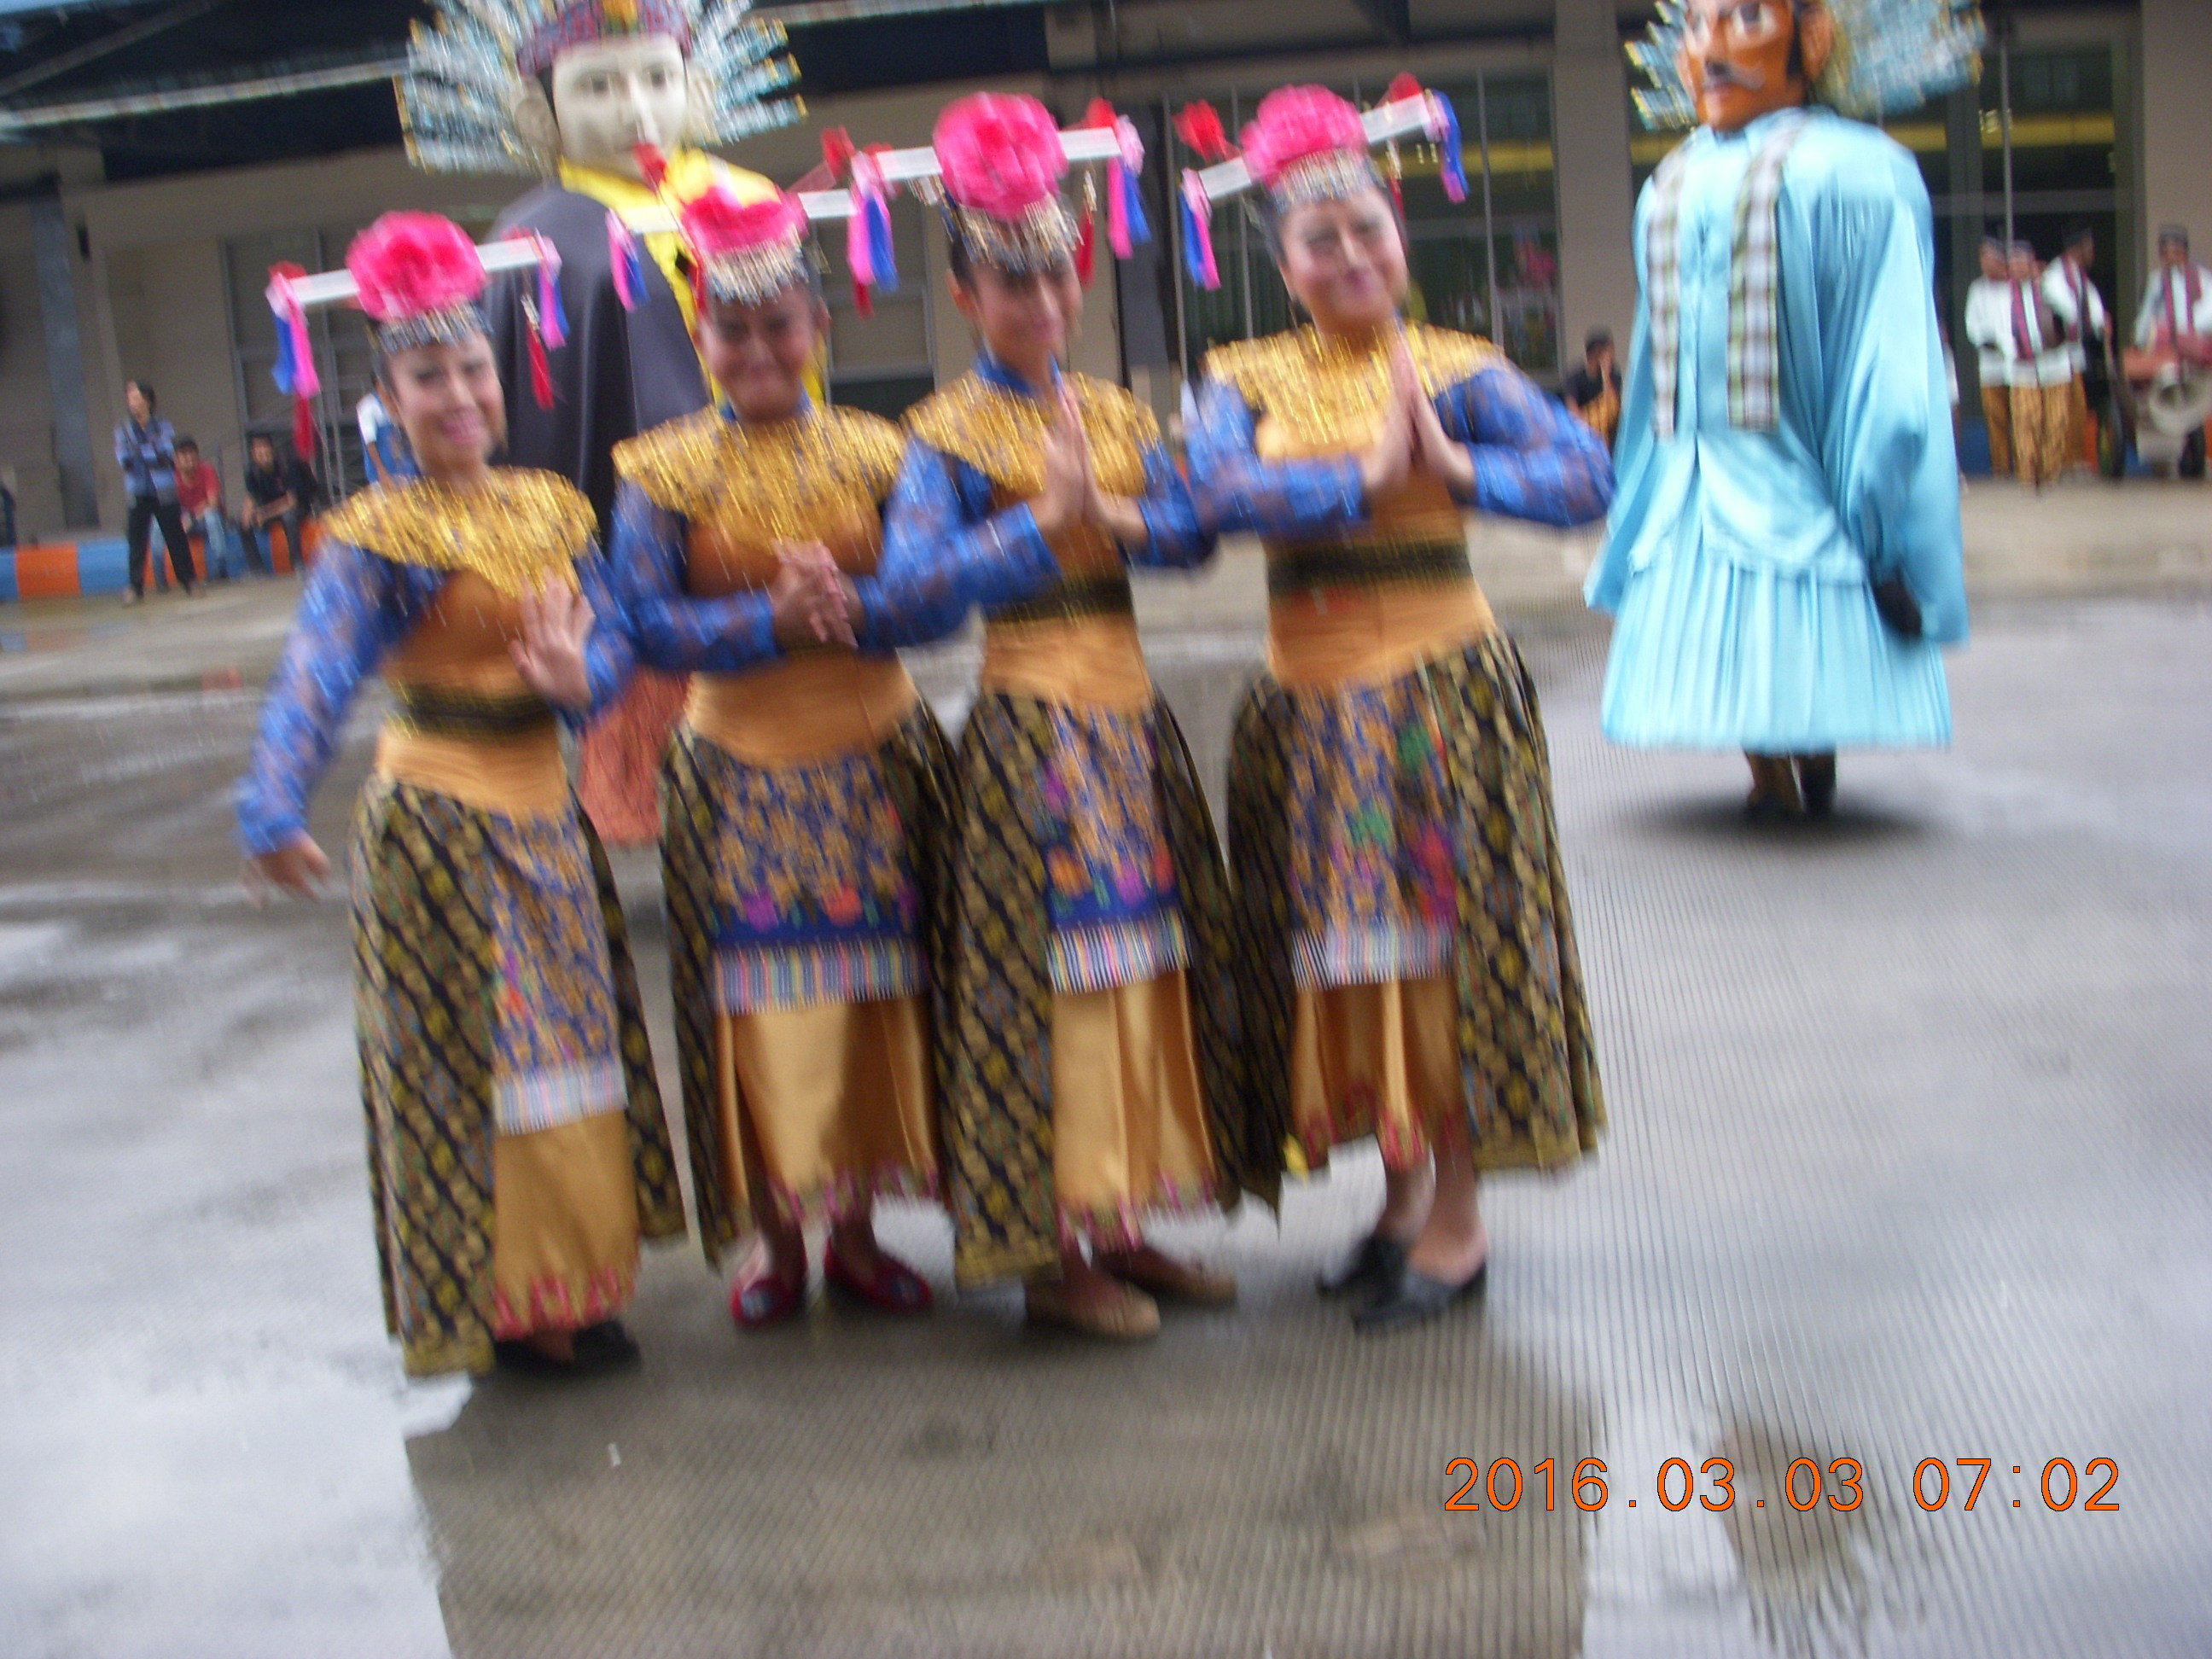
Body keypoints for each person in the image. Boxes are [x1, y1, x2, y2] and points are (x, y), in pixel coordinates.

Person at [1180, 83, 1612, 1334]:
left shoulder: (1458, 368)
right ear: (1284, 266)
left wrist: (1457, 466)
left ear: (1399, 235)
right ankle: (1401, 1194)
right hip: (1310, 715)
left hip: (1435, 703)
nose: (1352, 254)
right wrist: (1360, 477)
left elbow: (1586, 474)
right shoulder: (1242, 373)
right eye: (1320, 240)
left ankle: (1458, 1221)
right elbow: (1213, 497)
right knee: (1349, 962)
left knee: (1439, 959)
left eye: (1368, 228)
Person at [608, 183, 1068, 1328]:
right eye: (732, 329)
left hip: (878, 765)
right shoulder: (659, 470)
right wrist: (768, 618)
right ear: (702, 336)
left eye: (780, 325)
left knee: (877, 1002)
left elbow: (934, 604)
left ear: (819, 326)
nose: (759, 349)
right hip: (737, 773)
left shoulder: (883, 449)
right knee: (757, 1016)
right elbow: (641, 626)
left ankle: (858, 1233)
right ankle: (777, 1242)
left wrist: (855, 609)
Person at [236, 212, 683, 1379]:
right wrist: (273, 805)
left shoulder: (553, 507)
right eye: (428, 375)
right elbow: (316, 673)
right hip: (436, 830)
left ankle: (578, 1280)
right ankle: (510, 1301)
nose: (458, 394)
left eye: (473, 367)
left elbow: (612, 646)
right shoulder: (378, 534)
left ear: (503, 374)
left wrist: (581, 681)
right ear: (389, 395)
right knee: (477, 1069)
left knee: (569, 1058)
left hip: (546, 824)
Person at [888, 92, 1251, 1342]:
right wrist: (1041, 525)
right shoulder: (940, 435)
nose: (1042, 298)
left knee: (1141, 971)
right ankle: (1051, 1251)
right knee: (1050, 990)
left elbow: (1193, 537)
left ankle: (1125, 1210)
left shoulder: (1117, 410)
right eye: (1012, 279)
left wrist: (1117, 515)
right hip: (1027, 732)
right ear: (963, 292)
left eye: (1057, 273)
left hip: (1129, 727)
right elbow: (913, 594)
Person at [399, 0, 803, 849]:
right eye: (597, 88)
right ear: (539, 113)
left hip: (770, 499)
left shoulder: (748, 200)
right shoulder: (534, 238)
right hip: (627, 522)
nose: (635, 110)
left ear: (695, 87)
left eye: (657, 79)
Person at [1592, 0, 1974, 819]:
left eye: (1745, 19)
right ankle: (1769, 768)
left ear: (1816, 37)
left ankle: (1809, 751)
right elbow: (1656, 352)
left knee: (1791, 616)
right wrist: (1641, 483)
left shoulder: (1860, 172)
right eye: (1697, 26)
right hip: (1693, 477)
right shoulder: (1671, 180)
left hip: (1799, 471)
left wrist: (1878, 510)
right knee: (1740, 636)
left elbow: (1885, 354)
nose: (1710, 50)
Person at [115, 380, 195, 603]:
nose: (131, 402)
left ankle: (189, 581)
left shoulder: (163, 426)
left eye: (136, 397)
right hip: (138, 491)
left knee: (175, 536)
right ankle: (135, 587)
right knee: (137, 540)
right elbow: (125, 460)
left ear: (148, 400)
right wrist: (150, 453)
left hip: (163, 490)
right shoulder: (123, 430)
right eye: (129, 398)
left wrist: (141, 454)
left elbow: (167, 455)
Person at [2004, 240, 2070, 491]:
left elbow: (2070, 312)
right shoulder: (2003, 294)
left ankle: (2049, 474)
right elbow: (2000, 331)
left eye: (2022, 262)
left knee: (2056, 421)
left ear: (2032, 263)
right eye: (2013, 262)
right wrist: (2014, 352)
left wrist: (2046, 287)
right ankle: (2027, 476)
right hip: (2022, 369)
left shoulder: (2050, 284)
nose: (2018, 267)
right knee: (2025, 422)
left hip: (2055, 364)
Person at [2043, 223, 2110, 470]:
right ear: (2077, 248)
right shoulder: (2055, 276)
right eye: (2089, 246)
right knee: (2060, 411)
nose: (2092, 252)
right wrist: (2092, 322)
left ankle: (2073, 460)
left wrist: (2101, 321)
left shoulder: (2079, 277)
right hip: (2057, 356)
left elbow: (2093, 305)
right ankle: (2059, 461)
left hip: (2075, 356)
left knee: (2077, 409)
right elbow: (2069, 312)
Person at [1964, 236, 2015, 476]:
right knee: (1996, 418)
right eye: (1982, 257)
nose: (1983, 262)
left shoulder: (2015, 287)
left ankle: (2025, 465)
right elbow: (1972, 325)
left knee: (2022, 416)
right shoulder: (1977, 289)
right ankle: (2001, 466)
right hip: (1990, 363)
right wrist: (1990, 340)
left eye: (1988, 257)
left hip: (2017, 363)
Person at [2133, 224, 2212, 358]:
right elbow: (2146, 315)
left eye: (2174, 251)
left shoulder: (2203, 278)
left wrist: (2185, 333)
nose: (2167, 256)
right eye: (2164, 251)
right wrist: (2139, 340)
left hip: (2197, 351)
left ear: (2183, 251)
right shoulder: (2157, 280)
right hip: (2167, 351)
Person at [173, 438, 247, 582]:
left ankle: (221, 570)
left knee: (211, 516)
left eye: (192, 452)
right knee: (158, 525)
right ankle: (164, 579)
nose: (189, 458)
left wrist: (191, 517)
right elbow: (170, 507)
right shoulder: (172, 476)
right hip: (184, 522)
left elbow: (213, 503)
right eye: (184, 454)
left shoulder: (206, 470)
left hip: (207, 520)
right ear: (176, 459)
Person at [242, 434, 312, 572]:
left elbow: (291, 501)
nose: (263, 455)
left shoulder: (287, 465)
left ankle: (297, 561)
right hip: (270, 510)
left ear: (272, 449)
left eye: (265, 450)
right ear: (253, 455)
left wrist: (265, 515)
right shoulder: (253, 472)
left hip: (298, 507)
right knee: (243, 523)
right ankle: (256, 567)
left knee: (289, 517)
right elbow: (251, 496)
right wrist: (247, 514)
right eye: (259, 452)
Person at [1564, 327, 1622, 449]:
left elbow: (1613, 406)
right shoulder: (1576, 377)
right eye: (1607, 353)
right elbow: (1572, 409)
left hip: (1609, 437)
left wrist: (1606, 376)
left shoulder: (1614, 376)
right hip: (1585, 434)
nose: (1611, 357)